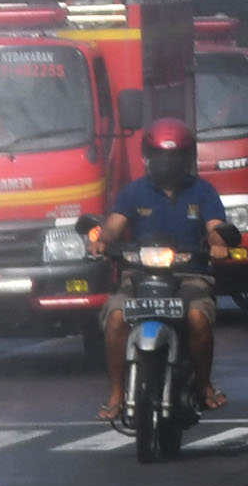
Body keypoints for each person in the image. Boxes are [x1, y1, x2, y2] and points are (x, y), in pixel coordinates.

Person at [90, 114, 238, 419]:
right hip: (138, 275)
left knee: (198, 318)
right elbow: (113, 227)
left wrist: (219, 242)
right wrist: (101, 240)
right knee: (116, 317)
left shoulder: (203, 191)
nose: (167, 163)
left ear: (187, 157)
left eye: (174, 156)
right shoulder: (134, 192)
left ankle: (204, 384)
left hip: (191, 276)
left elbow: (214, 226)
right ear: (147, 156)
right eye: (161, 156)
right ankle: (117, 391)